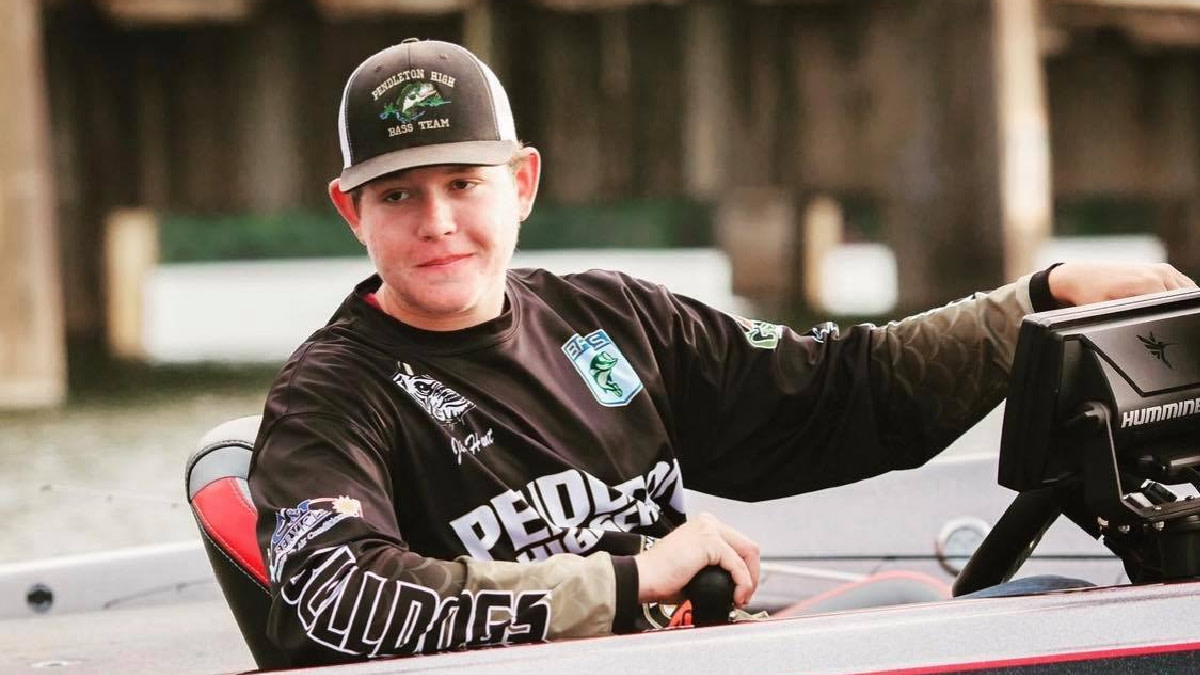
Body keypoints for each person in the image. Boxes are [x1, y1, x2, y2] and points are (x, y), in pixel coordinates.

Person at [247, 38, 1196, 666]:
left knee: (1049, 596)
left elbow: (841, 388)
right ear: (350, 211)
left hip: (712, 649)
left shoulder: (611, 318)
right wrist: (630, 578)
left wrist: (1035, 302)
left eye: (464, 182)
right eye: (400, 195)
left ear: (523, 182)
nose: (439, 222)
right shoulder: (328, 395)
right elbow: (340, 596)